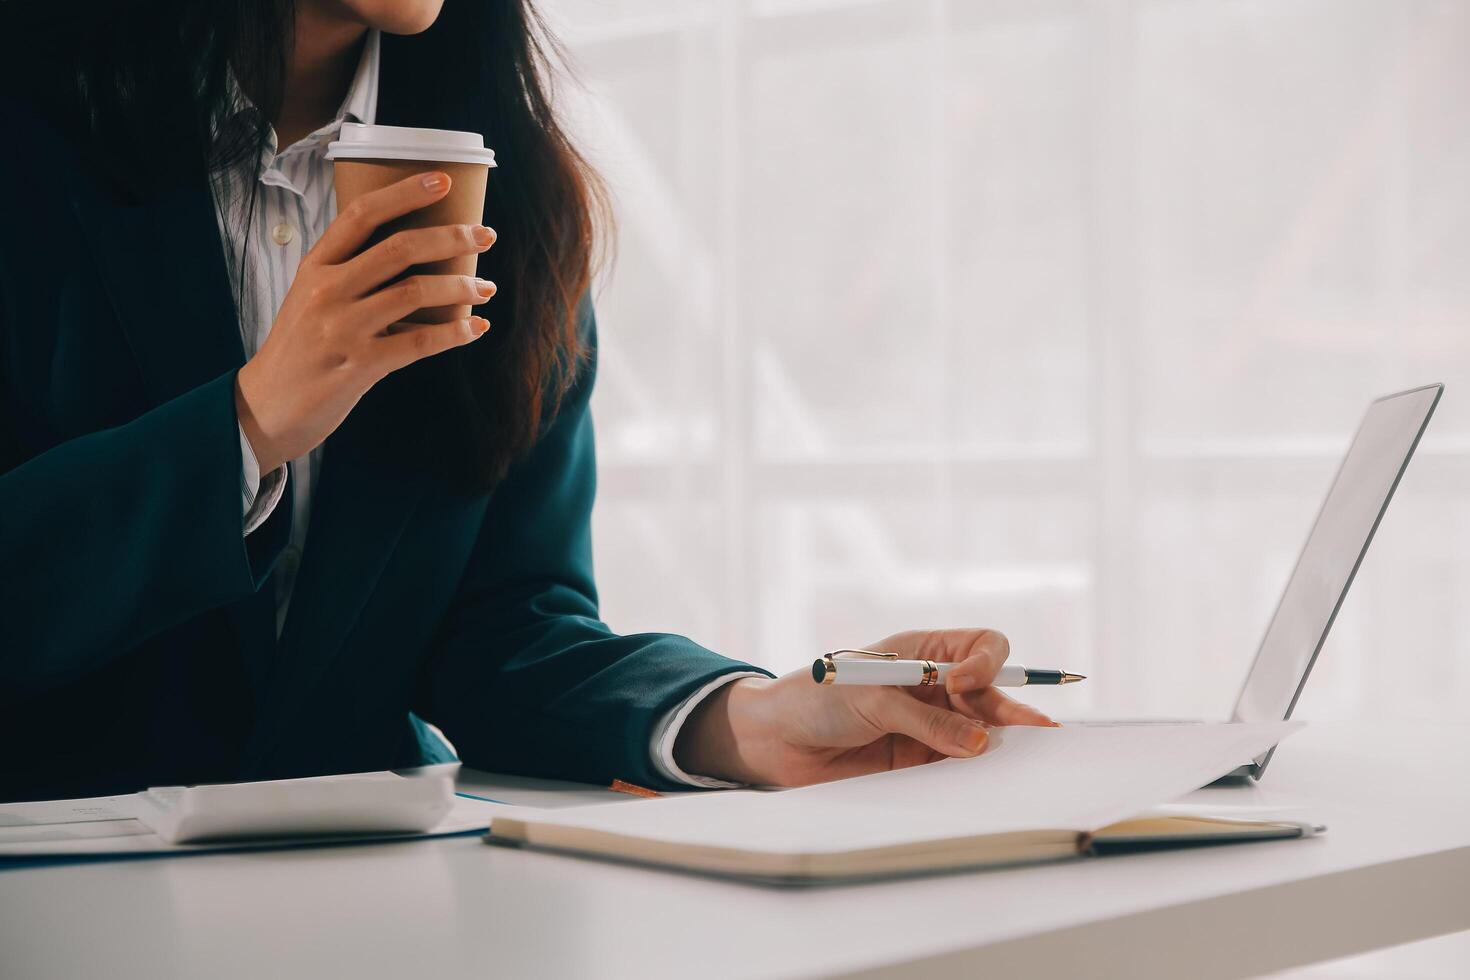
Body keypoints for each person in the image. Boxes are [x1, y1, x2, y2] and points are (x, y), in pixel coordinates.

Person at [0, 0, 1054, 804]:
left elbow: (502, 629)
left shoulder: (511, 193)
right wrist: (249, 425)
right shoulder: (31, 123)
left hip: (376, 912)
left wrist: (756, 715)